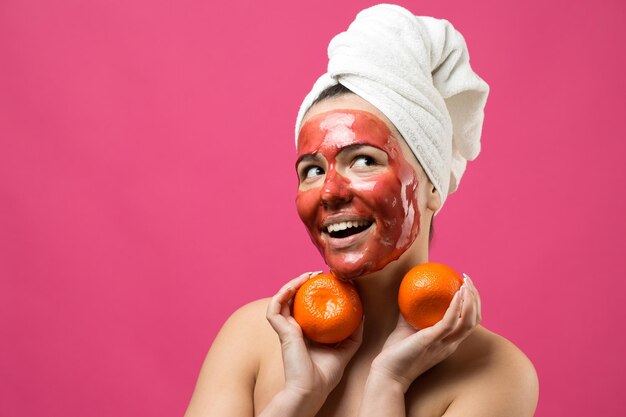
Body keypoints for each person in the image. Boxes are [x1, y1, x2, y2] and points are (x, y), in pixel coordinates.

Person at [185, 4, 538, 417]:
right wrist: (297, 399)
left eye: (365, 160)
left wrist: (388, 385)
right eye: (312, 170)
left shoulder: (493, 372)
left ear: (431, 187)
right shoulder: (249, 337)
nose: (330, 192)